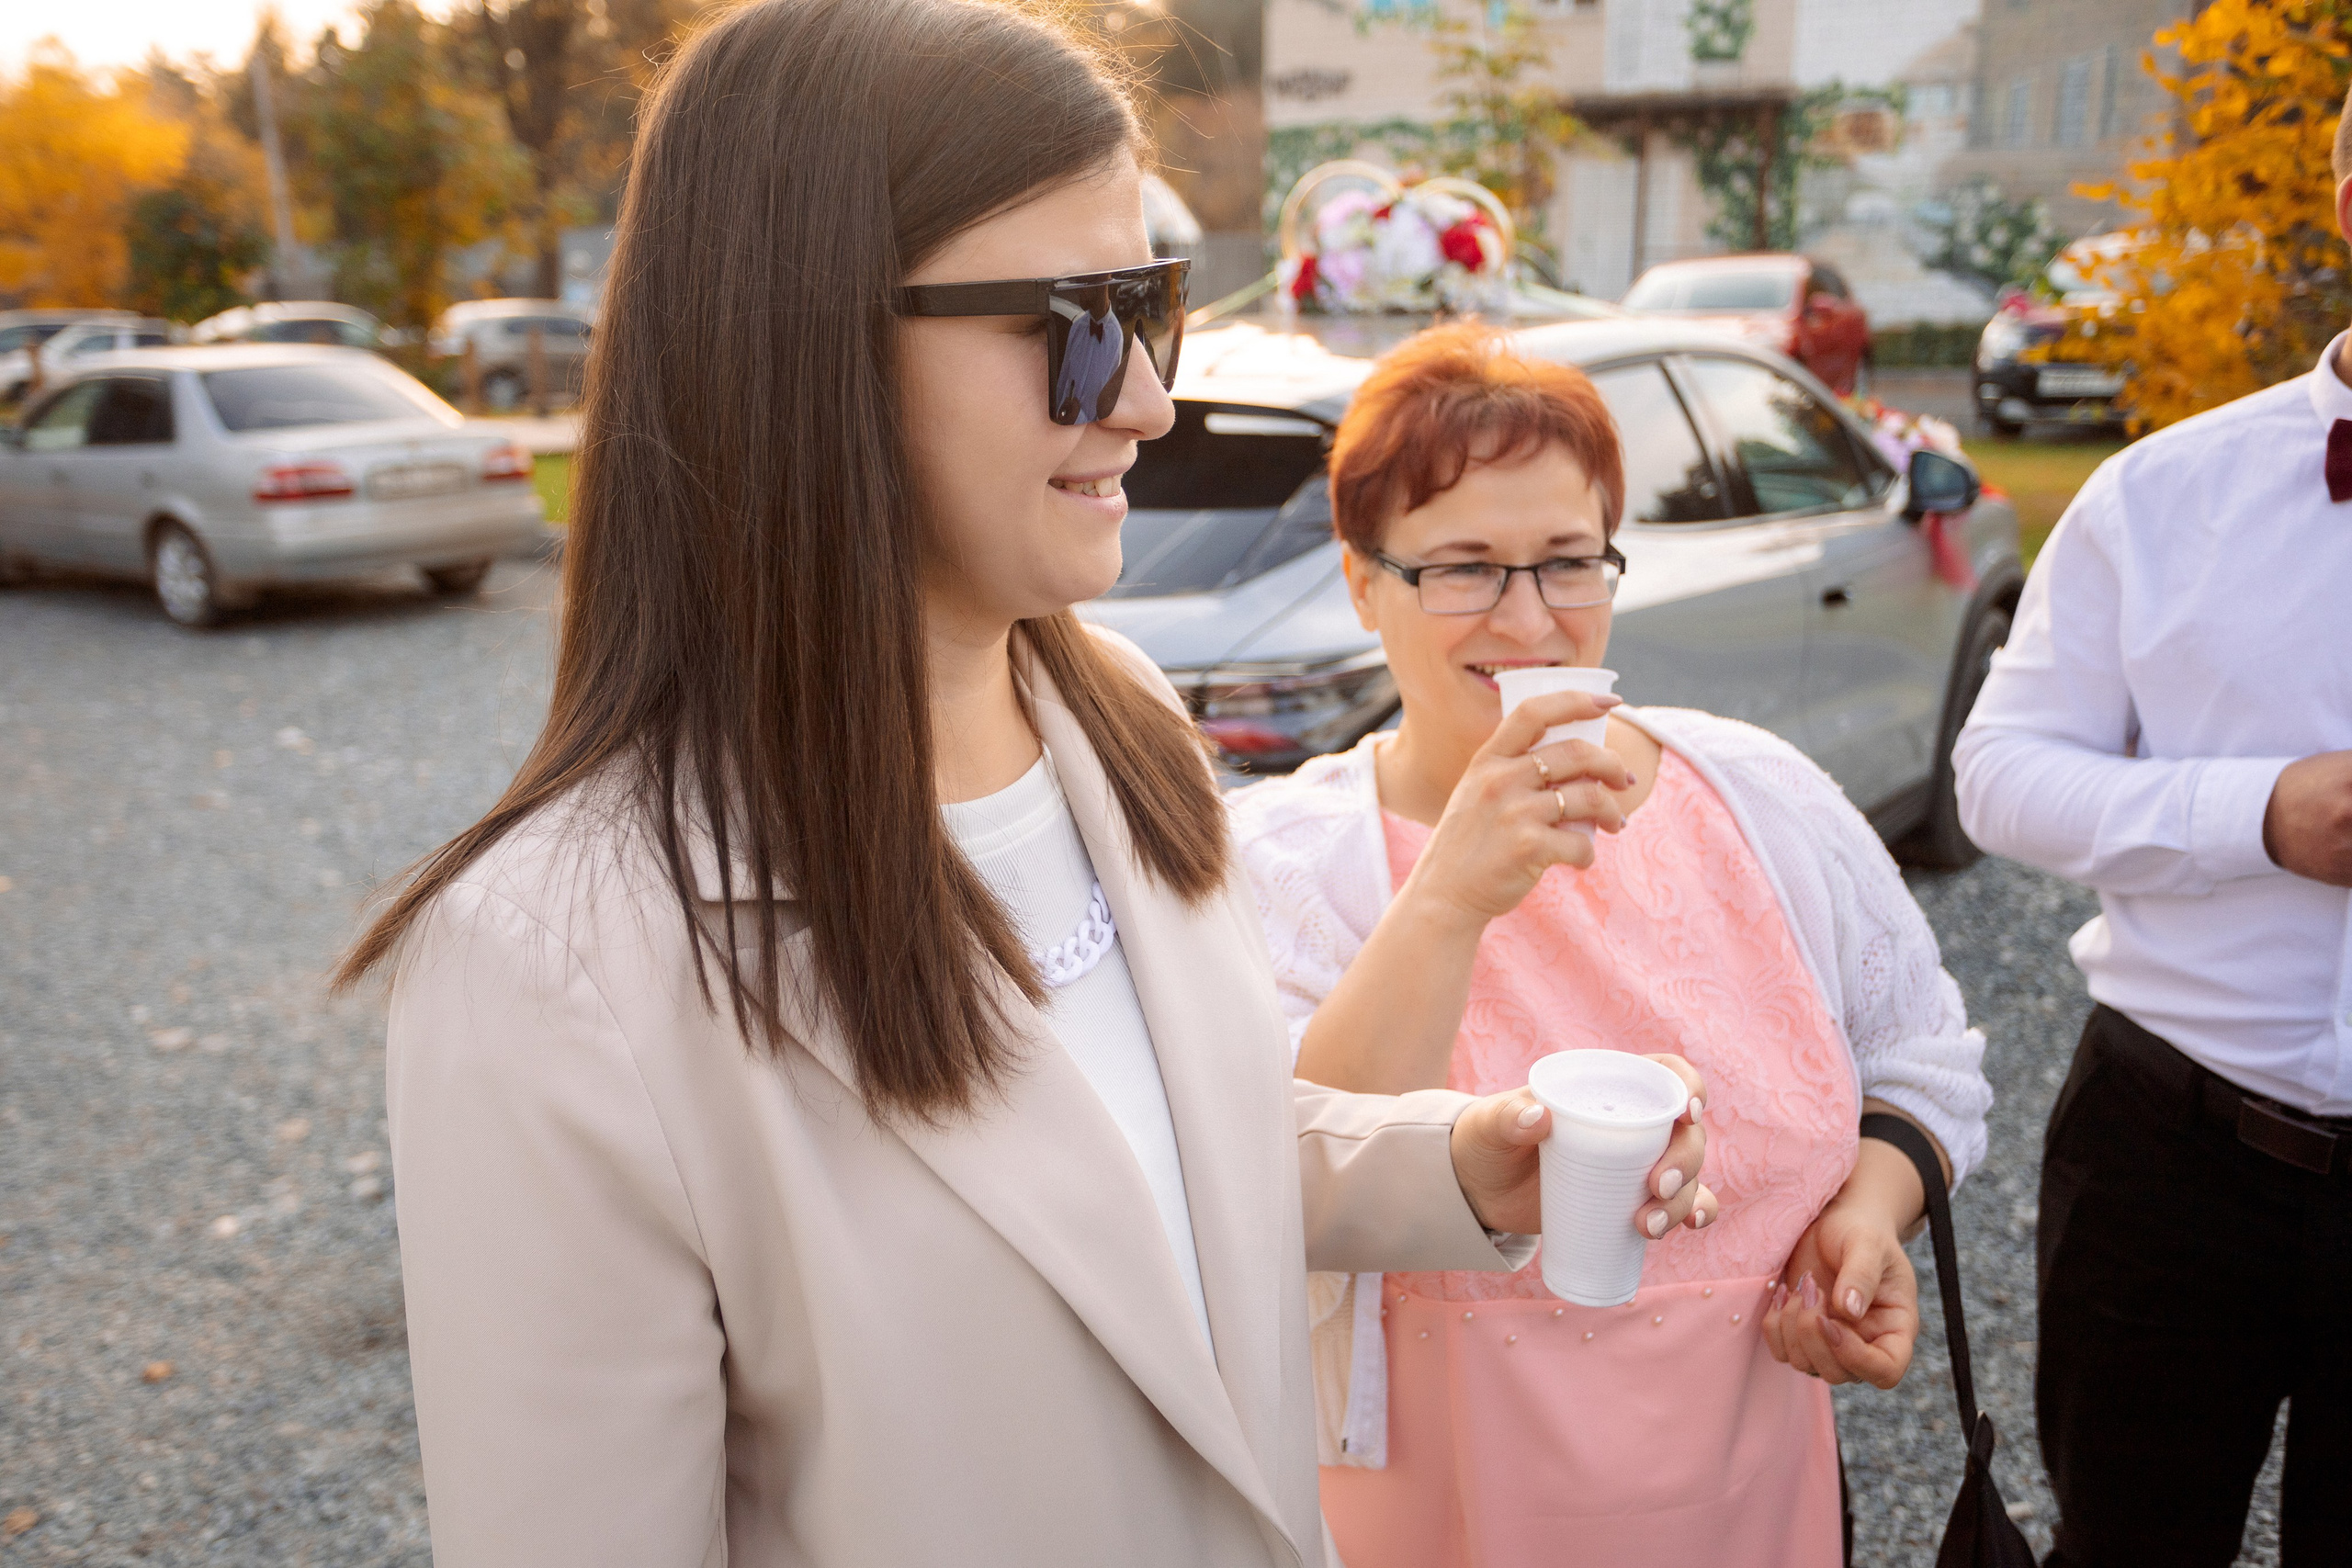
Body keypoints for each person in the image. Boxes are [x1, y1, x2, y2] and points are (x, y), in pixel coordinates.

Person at [333, 6, 1716, 1565]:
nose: (1143, 400)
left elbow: (1158, 1156)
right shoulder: (552, 966)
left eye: (1154, 307)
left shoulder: (1114, 715)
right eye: (1075, 315)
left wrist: (1453, 1160)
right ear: (802, 342)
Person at [1229, 324, 1994, 1567]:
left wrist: (1864, 1216)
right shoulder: (1280, 863)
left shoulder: (1758, 798)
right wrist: (1451, 897)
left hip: (1745, 1481)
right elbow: (1282, 1182)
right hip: (1445, 1506)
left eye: (1568, 561)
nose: (1529, 619)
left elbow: (1925, 1061)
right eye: (1465, 567)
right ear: (1364, 582)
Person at [1952, 94, 2352, 1568]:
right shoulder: (2163, 493)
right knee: (2125, 1544)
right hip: (2168, 1153)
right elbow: (1995, 776)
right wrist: (2255, 813)